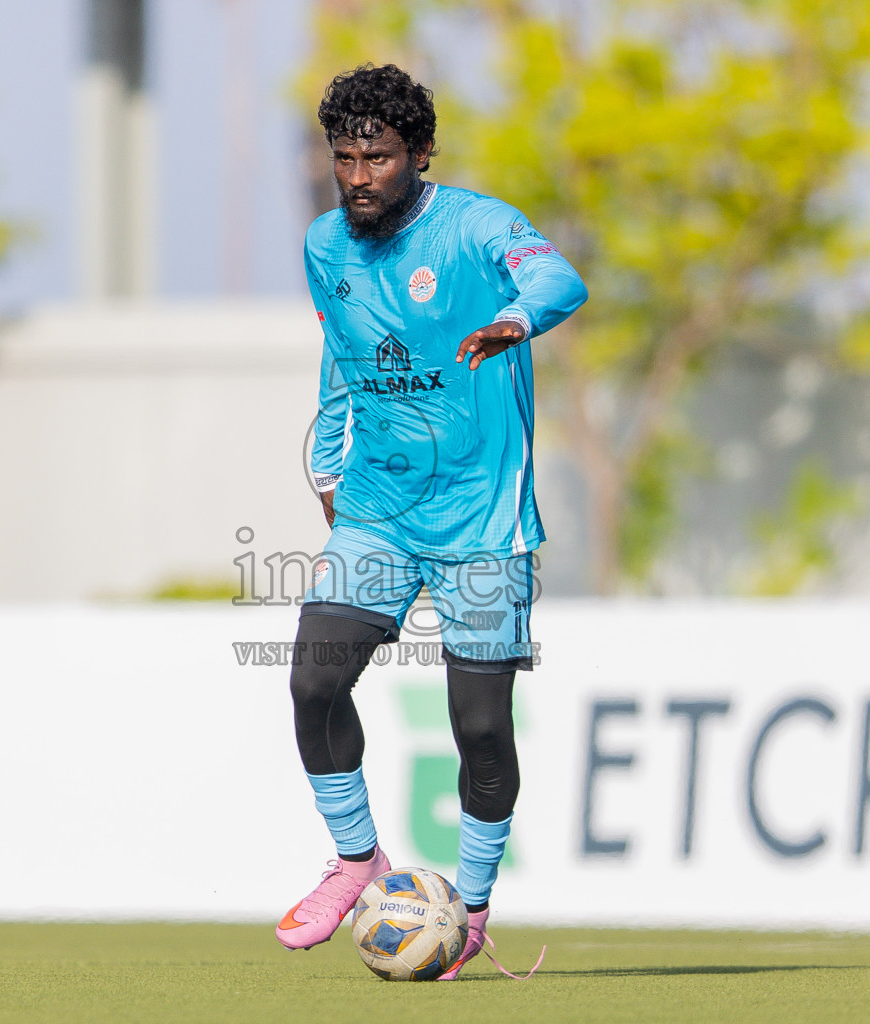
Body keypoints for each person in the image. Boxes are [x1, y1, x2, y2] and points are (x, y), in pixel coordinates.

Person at [276, 63, 587, 980]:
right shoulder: (324, 246)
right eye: (345, 157)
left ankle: (474, 910)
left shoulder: (478, 227)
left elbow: (560, 279)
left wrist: (517, 323)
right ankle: (357, 860)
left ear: (419, 154)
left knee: (481, 727)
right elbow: (340, 358)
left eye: (377, 157)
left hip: (483, 523)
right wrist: (328, 464)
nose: (359, 175)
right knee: (312, 683)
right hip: (379, 508)